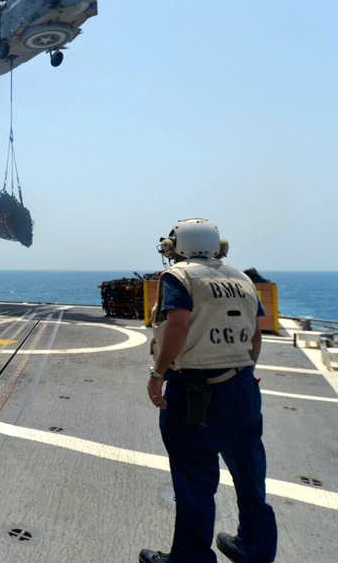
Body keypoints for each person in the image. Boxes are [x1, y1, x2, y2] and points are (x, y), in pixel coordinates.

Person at [140, 218, 277, 563]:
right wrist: (241, 373)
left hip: (197, 391)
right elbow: (255, 334)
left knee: (194, 482)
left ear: (178, 246)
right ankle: (254, 548)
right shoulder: (242, 278)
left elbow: (178, 325)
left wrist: (158, 374)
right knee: (249, 474)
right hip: (243, 386)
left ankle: (191, 558)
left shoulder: (178, 277)